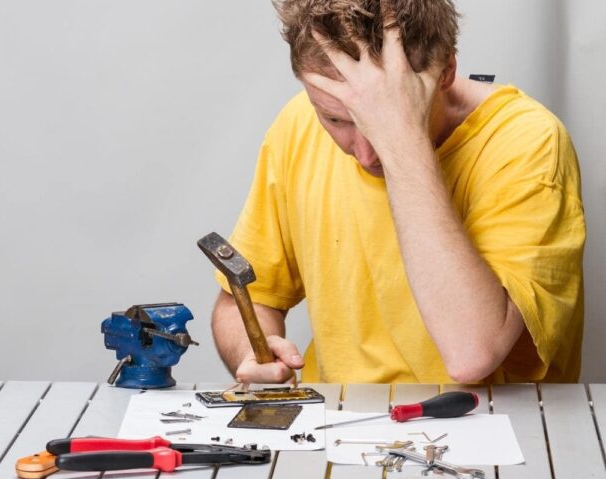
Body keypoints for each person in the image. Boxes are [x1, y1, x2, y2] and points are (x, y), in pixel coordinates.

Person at [211, 0, 585, 385]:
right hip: (337, 425)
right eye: (337, 120)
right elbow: (250, 299)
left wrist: (402, 140)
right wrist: (253, 349)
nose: (365, 152)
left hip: (484, 428)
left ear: (446, 73)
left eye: (381, 119)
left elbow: (472, 354)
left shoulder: (529, 142)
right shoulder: (297, 124)